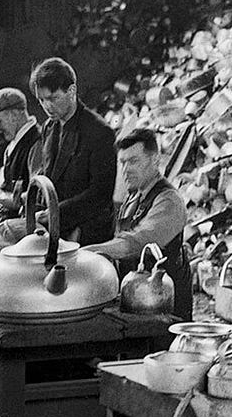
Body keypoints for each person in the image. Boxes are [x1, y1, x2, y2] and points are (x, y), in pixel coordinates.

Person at [82, 128, 192, 319]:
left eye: (134, 161)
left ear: (155, 160)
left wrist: (83, 254)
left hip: (165, 308)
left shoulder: (169, 200)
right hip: (136, 300)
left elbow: (137, 242)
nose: (126, 169)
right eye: (122, 162)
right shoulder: (133, 196)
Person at [28, 57, 116, 243]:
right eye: (42, 100)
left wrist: (55, 214)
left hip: (87, 231)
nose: (47, 107)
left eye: (53, 98)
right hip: (51, 223)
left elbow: (100, 194)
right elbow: (48, 172)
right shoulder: (48, 127)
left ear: (72, 91)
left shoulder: (100, 132)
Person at [0, 86, 39, 192]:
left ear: (14, 115)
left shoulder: (37, 142)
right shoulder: (14, 144)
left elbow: (33, 196)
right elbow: (7, 189)